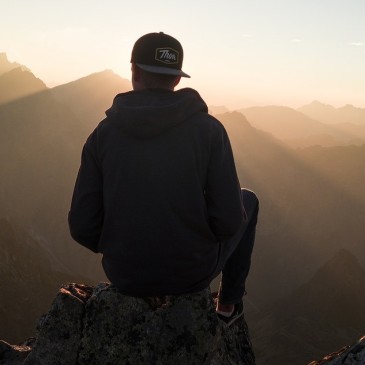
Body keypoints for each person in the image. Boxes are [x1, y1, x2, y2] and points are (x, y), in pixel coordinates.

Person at [68, 32, 259, 326]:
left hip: (124, 274)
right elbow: (230, 221)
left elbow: (82, 226)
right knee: (249, 200)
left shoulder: (102, 135)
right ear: (178, 79)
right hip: (191, 274)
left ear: (134, 71)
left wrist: (123, 246)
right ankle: (227, 306)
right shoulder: (209, 132)